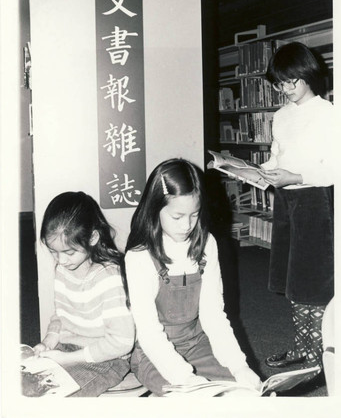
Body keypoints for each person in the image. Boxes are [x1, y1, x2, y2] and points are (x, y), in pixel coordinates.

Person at [125, 158, 262, 396]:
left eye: (194, 215)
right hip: (152, 353)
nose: (186, 225)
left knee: (245, 391)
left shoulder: (207, 243)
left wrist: (239, 366)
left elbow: (213, 315)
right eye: (177, 217)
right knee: (193, 400)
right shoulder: (139, 256)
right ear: (154, 208)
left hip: (197, 342)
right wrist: (185, 378)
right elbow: (148, 333)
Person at [258, 42, 334, 371]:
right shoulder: (280, 116)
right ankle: (303, 346)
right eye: (280, 83)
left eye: (293, 81)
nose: (287, 89)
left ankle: (321, 358)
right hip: (287, 200)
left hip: (319, 199)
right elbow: (278, 156)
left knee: (315, 281)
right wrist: (259, 170)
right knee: (293, 279)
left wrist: (297, 175)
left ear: (308, 76)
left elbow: (335, 168)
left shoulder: (329, 114)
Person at [33, 191, 135, 397]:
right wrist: (49, 341)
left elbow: (122, 343)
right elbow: (61, 316)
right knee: (24, 386)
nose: (60, 261)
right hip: (67, 348)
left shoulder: (108, 277)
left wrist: (66, 359)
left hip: (106, 358)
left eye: (69, 252)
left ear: (93, 237)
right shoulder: (63, 270)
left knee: (59, 397)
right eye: (54, 252)